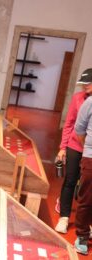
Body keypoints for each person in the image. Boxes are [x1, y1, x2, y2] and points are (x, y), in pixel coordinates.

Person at [54, 68, 92, 234]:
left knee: (87, 188)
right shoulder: (78, 99)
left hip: (90, 151)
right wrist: (63, 147)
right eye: (83, 84)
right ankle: (64, 217)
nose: (84, 87)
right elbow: (69, 123)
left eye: (87, 84)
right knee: (70, 181)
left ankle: (86, 223)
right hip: (75, 147)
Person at [74, 68, 92, 255]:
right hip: (91, 157)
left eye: (88, 83)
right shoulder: (89, 103)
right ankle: (82, 235)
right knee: (87, 198)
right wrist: (89, 148)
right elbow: (79, 130)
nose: (86, 87)